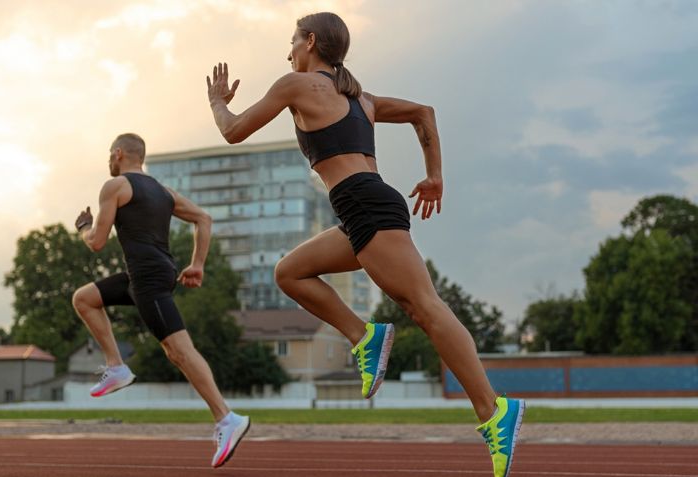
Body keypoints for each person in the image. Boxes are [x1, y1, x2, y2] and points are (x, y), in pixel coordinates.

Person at [205, 12, 523, 477]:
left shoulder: (297, 85)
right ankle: (364, 335)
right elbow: (423, 113)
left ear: (310, 42)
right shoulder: (361, 99)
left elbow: (232, 130)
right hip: (362, 208)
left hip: (364, 204)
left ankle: (494, 413)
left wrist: (216, 101)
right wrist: (434, 175)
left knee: (425, 308)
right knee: (289, 273)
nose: (287, 52)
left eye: (292, 42)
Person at [71, 133, 250, 468]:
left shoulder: (115, 187)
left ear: (120, 153)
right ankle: (116, 367)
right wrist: (197, 264)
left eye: (110, 154)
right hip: (146, 275)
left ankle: (227, 418)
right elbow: (204, 219)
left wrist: (83, 227)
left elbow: (96, 242)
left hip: (149, 279)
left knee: (179, 351)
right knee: (84, 298)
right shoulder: (163, 192)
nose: (108, 160)